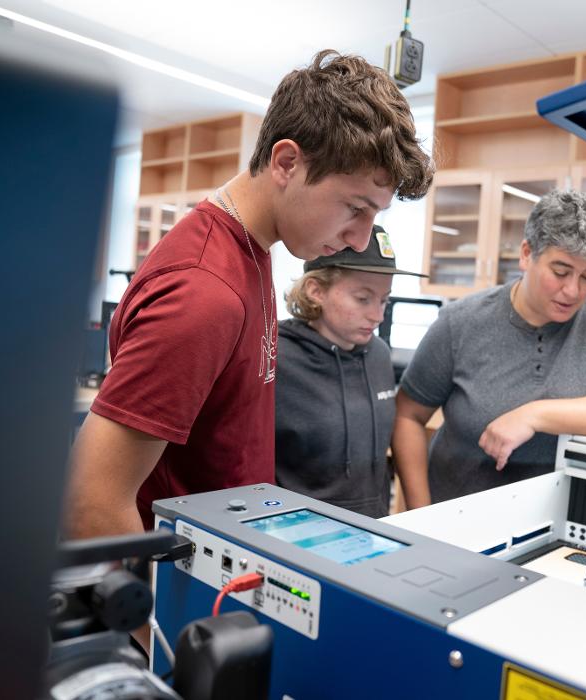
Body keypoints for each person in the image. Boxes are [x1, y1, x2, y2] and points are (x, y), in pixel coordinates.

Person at [64, 50, 433, 538]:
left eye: (375, 216)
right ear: (287, 163)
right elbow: (93, 501)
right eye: (354, 208)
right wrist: (144, 593)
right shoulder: (204, 291)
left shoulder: (251, 251)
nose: (360, 238)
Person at [393, 189, 586, 508]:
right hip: (459, 511)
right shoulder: (461, 321)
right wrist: (420, 515)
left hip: (556, 517)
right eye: (560, 272)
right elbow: (407, 415)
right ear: (526, 254)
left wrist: (534, 415)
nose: (573, 291)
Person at [275, 225, 426, 517]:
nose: (377, 315)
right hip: (296, 530)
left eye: (384, 300)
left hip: (371, 528)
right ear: (316, 290)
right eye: (362, 299)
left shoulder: (379, 354)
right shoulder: (276, 356)